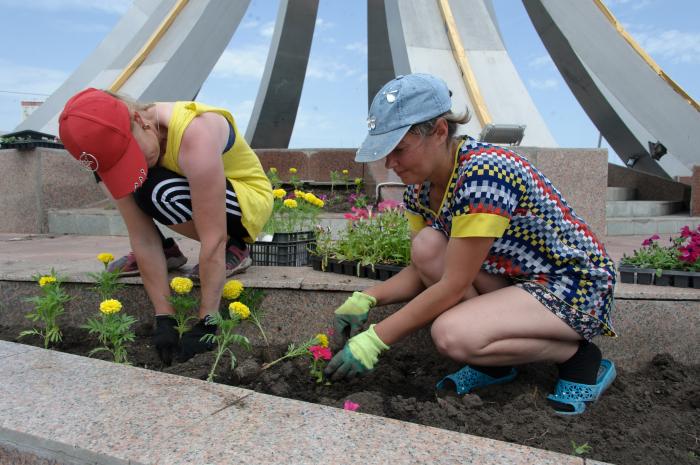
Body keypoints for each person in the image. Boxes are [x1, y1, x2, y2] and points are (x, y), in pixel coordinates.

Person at [324, 73, 617, 415]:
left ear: (439, 131)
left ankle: (580, 358)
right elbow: (423, 268)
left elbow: (453, 285)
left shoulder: (485, 174)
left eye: (398, 149)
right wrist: (367, 299)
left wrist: (375, 340)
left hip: (571, 285)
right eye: (385, 152)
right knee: (428, 247)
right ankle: (493, 363)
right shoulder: (420, 190)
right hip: (516, 281)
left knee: (452, 334)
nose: (390, 163)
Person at [59, 88, 273, 365]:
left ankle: (239, 247)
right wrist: (164, 316)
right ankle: (169, 252)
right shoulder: (105, 158)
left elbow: (213, 238)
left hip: (244, 201)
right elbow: (143, 238)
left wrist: (207, 322)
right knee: (145, 185)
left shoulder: (195, 132)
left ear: (140, 120)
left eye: (130, 155)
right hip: (184, 190)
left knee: (158, 190)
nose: (131, 167)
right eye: (119, 164)